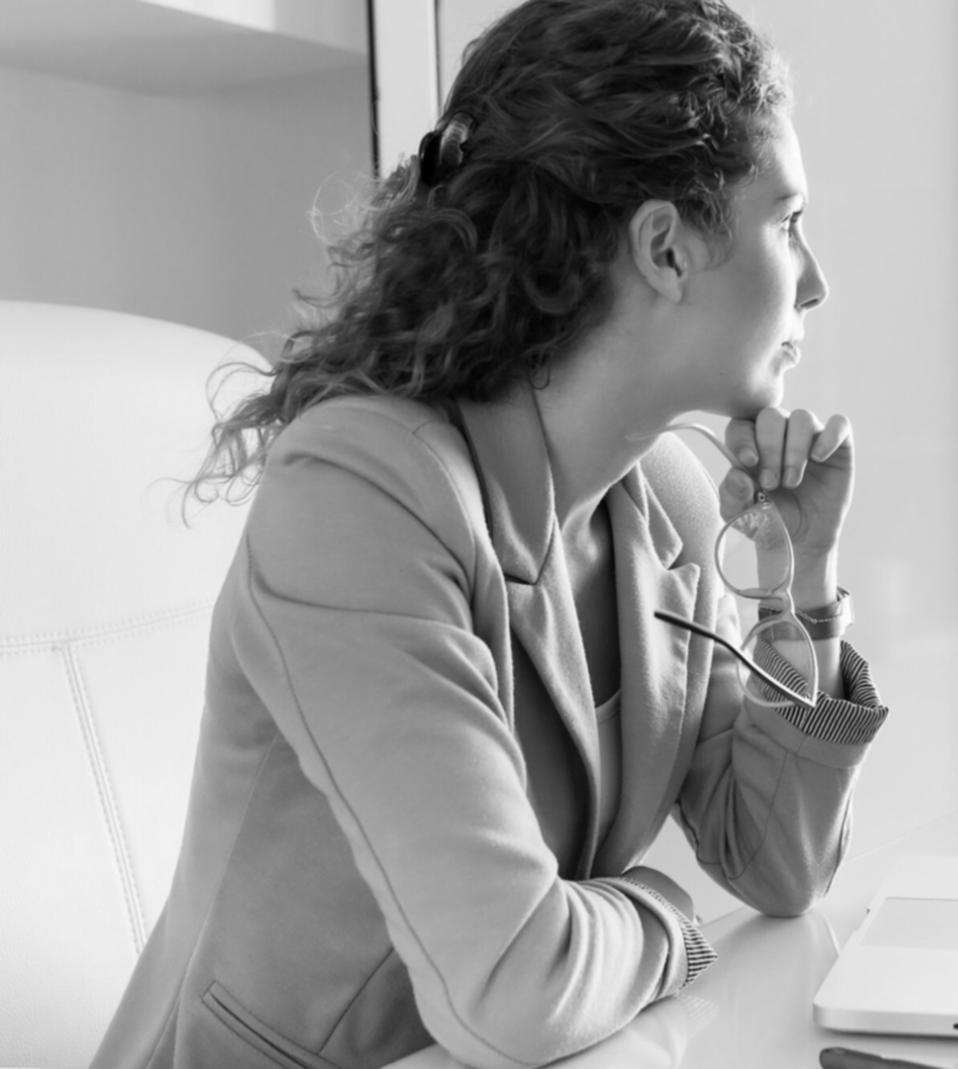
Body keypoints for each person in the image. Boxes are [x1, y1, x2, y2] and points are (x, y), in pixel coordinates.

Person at [89, 2, 889, 1066]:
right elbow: (512, 989)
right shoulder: (360, 492)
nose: (815, 280)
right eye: (785, 223)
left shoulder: (669, 501)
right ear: (664, 247)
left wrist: (802, 580)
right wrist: (662, 912)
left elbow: (779, 865)